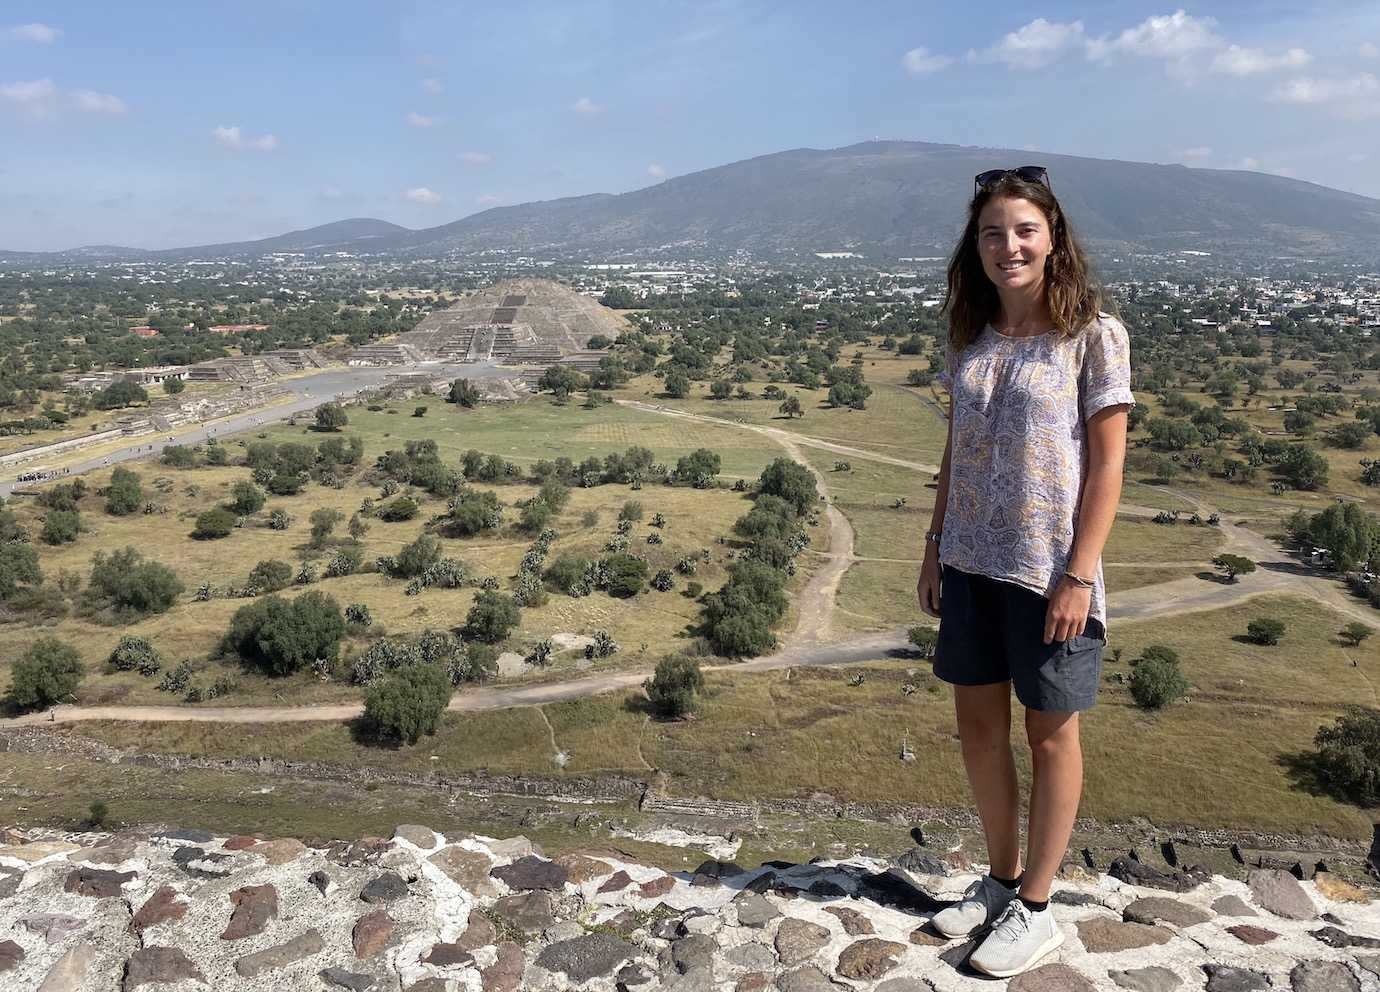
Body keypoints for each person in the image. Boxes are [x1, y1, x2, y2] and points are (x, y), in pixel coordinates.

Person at [914, 165, 1134, 978]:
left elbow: (1108, 465)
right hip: (969, 559)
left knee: (1050, 734)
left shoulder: (1092, 335)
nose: (1008, 245)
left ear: (1054, 238)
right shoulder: (972, 337)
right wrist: (933, 543)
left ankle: (1037, 908)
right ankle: (1000, 880)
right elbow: (953, 447)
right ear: (974, 248)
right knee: (978, 730)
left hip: (1048, 571)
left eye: (1024, 230)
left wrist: (1080, 573)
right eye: (991, 233)